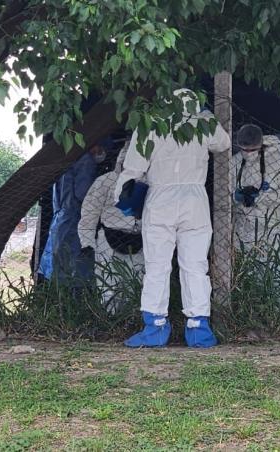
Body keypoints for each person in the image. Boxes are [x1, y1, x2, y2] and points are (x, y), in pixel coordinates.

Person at [114, 88, 231, 348]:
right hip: (195, 200)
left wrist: (123, 198)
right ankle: (198, 329)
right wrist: (206, 115)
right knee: (195, 266)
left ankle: (154, 327)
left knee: (157, 266)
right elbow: (223, 143)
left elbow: (133, 168)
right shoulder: (201, 123)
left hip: (160, 199)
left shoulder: (150, 124)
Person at [79, 145, 145, 313]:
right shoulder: (105, 181)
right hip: (108, 239)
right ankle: (110, 320)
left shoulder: (148, 182)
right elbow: (89, 213)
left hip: (140, 239)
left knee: (137, 285)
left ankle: (131, 321)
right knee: (108, 286)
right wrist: (87, 243)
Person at [231, 124, 280, 275]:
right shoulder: (235, 162)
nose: (248, 154)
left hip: (272, 229)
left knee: (277, 274)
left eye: (252, 150)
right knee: (245, 275)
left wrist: (264, 196)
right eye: (244, 150)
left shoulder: (277, 161)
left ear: (260, 145)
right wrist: (235, 196)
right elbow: (223, 193)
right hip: (243, 230)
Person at [37, 142, 104, 285]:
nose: (101, 153)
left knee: (57, 263)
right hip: (76, 218)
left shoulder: (66, 160)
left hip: (60, 218)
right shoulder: (86, 161)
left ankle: (57, 295)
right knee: (75, 267)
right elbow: (83, 193)